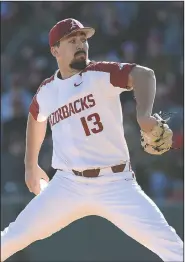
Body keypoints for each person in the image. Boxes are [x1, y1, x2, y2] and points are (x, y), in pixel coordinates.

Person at [1, 18, 183, 262]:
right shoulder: (47, 90)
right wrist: (31, 165)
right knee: (13, 237)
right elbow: (36, 117)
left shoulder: (99, 74)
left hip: (116, 183)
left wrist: (144, 115)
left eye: (83, 40)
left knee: (172, 247)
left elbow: (144, 75)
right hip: (67, 185)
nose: (81, 44)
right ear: (55, 50)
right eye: (72, 40)